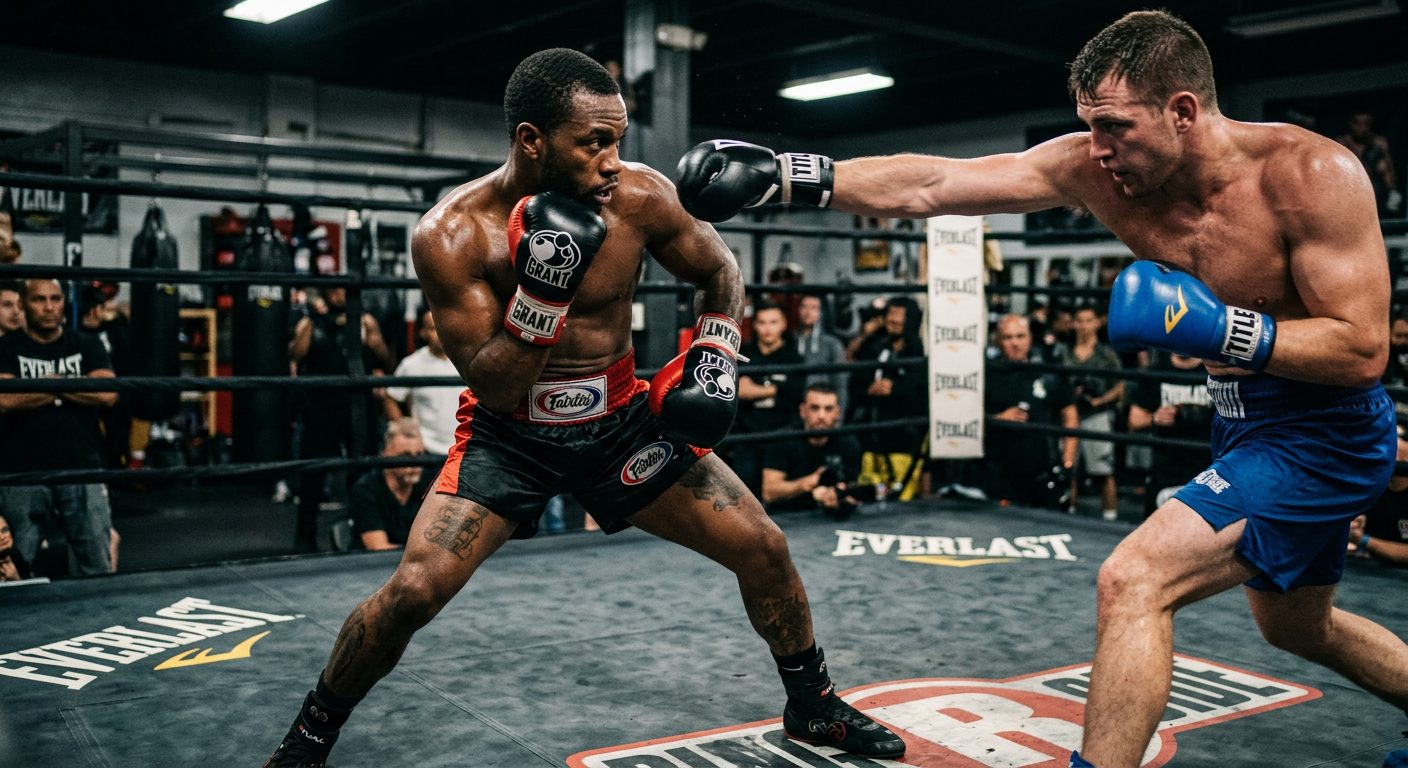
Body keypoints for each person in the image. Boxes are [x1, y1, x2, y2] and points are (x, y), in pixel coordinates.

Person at [675, 10, 1408, 767]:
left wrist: (1218, 330)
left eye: (1117, 126)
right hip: (1243, 423)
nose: (1099, 149)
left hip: (1326, 430)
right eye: (1089, 125)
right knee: (1297, 627)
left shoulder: (1309, 176)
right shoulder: (1097, 168)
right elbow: (939, 182)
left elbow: (1361, 349)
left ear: (1183, 111)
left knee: (1136, 579)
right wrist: (791, 176)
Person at [263, 48, 902, 768]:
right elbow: (497, 385)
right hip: (510, 438)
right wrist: (544, 292)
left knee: (765, 548)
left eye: (618, 140)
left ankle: (812, 707)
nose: (611, 161)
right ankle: (309, 737)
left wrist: (716, 349)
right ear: (532, 140)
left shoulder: (640, 196)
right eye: (592, 142)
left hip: (620, 422)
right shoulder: (450, 234)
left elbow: (718, 266)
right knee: (412, 589)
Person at [0, 279, 118, 577]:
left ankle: (103, 620)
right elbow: (5, 399)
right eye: (40, 299)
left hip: (82, 467)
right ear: (24, 304)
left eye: (55, 298)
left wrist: (45, 385)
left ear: (65, 302)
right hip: (22, 471)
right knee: (14, 562)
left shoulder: (86, 344)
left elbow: (107, 393)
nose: (49, 307)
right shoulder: (6, 347)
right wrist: (69, 385)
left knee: (96, 563)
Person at [288, 285, 395, 552]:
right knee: (313, 470)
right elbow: (295, 355)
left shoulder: (365, 322)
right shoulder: (312, 323)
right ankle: (305, 538)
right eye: (333, 291)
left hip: (357, 405)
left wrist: (371, 340)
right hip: (321, 405)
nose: (338, 295)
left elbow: (384, 356)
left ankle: (361, 532)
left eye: (343, 291)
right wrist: (310, 323)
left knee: (360, 468)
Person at [984, 314, 1078, 509]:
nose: (1015, 343)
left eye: (1020, 336)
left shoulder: (1047, 372)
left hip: (1041, 467)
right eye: (1008, 338)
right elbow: (969, 419)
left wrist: (1067, 463)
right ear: (998, 341)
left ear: (1030, 338)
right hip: (1000, 469)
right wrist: (998, 419)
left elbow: (1070, 416)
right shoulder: (988, 374)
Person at [848, 299, 926, 500]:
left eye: (899, 315)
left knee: (902, 495)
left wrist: (896, 388)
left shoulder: (918, 350)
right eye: (891, 314)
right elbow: (856, 376)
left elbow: (920, 388)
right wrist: (870, 387)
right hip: (872, 433)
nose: (893, 319)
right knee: (870, 492)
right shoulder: (877, 345)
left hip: (903, 436)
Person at [1127, 351, 1213, 518]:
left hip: (1208, 465)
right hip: (1166, 466)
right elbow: (1134, 421)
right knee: (1155, 529)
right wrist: (1154, 418)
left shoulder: (1214, 370)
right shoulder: (1157, 371)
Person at [761, 382, 866, 519]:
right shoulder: (784, 439)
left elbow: (853, 488)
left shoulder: (848, 442)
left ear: (837, 413)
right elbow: (769, 492)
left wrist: (837, 496)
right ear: (802, 411)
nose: (821, 416)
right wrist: (809, 483)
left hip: (830, 518)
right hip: (788, 516)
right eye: (815, 408)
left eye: (828, 409)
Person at [734, 300, 806, 495]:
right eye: (763, 322)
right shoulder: (744, 355)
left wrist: (755, 388)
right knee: (742, 489)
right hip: (747, 433)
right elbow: (740, 391)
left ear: (783, 324)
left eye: (773, 322)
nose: (767, 328)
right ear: (755, 325)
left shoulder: (793, 358)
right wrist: (777, 388)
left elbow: (796, 392)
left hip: (782, 432)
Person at [1062, 305, 1124, 520]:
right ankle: (1067, 512)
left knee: (1103, 470)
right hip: (1070, 414)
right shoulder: (1065, 352)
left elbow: (1120, 386)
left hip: (1097, 414)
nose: (1084, 326)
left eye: (1089, 320)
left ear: (1097, 323)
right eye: (1080, 320)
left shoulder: (1106, 353)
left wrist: (1099, 400)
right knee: (1068, 468)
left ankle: (1110, 516)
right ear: (1074, 323)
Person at [381, 308, 460, 455]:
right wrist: (408, 434)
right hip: (427, 449)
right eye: (433, 328)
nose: (440, 333)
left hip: (464, 447)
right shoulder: (412, 364)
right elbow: (390, 397)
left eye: (443, 325)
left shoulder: (465, 360)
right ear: (423, 333)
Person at [346, 418, 431, 551]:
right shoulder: (365, 490)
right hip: (372, 567)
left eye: (419, 455)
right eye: (406, 456)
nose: (415, 464)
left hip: (417, 563)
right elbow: (379, 548)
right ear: (385, 455)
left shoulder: (430, 484)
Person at [793, 294, 849, 416]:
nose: (808, 312)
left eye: (814, 308)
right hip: (795, 409)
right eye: (804, 306)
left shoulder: (832, 344)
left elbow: (840, 384)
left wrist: (838, 419)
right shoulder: (791, 340)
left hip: (822, 408)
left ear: (822, 311)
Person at [1339, 111, 1401, 218]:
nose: (1362, 128)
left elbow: (1389, 168)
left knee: (1383, 166)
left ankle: (1391, 195)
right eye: (1358, 124)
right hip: (1352, 186)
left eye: (1366, 124)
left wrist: (1384, 151)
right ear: (1351, 124)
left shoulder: (1377, 142)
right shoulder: (1343, 143)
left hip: (1374, 187)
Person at [0, 512, 32, 582]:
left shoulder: (15, 554)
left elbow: (29, 590)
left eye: (5, 530)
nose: (2, 537)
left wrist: (16, 579)